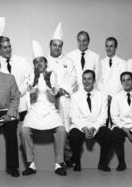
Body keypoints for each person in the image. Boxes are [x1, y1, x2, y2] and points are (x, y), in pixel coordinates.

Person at [21, 41, 67, 176]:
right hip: (34, 111)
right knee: (24, 131)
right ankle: (31, 164)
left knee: (61, 131)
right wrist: (34, 81)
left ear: (46, 63)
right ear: (34, 64)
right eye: (36, 61)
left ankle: (59, 163)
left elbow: (55, 91)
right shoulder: (31, 75)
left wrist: (47, 82)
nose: (38, 64)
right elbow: (29, 92)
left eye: (41, 61)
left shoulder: (52, 74)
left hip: (50, 111)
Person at [68, 70, 112, 172]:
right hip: (80, 126)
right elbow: (74, 117)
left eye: (89, 79)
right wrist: (84, 128)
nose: (86, 81)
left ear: (94, 81)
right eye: (84, 79)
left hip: (96, 125)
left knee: (108, 134)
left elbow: (103, 116)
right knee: (73, 135)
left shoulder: (102, 96)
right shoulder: (75, 96)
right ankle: (77, 164)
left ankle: (102, 163)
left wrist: (93, 128)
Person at [47, 22, 77, 166]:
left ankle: (67, 157)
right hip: (49, 100)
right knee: (52, 128)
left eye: (60, 46)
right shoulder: (44, 61)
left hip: (65, 100)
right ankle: (53, 159)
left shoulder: (68, 61)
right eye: (54, 45)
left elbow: (73, 78)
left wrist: (63, 89)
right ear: (50, 46)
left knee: (66, 127)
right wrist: (56, 90)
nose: (57, 48)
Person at [0, 36, 32, 122]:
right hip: (6, 106)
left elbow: (30, 77)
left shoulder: (21, 60)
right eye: (5, 47)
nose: (8, 49)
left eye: (9, 46)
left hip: (22, 104)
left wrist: (19, 91)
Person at [98, 37, 127, 127]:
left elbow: (123, 82)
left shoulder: (122, 63)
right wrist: (106, 96)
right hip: (104, 98)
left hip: (117, 98)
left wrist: (113, 96)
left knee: (117, 125)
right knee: (103, 125)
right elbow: (99, 82)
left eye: (111, 46)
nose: (108, 49)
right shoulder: (100, 63)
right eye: (107, 46)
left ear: (115, 48)